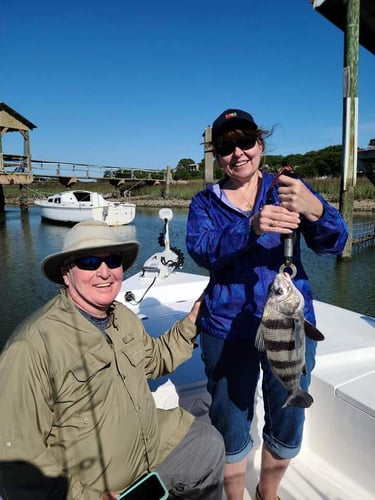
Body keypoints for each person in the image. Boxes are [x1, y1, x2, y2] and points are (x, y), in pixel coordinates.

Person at [186, 108, 349, 500]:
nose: (237, 153)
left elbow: (335, 243)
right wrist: (250, 226)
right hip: (227, 330)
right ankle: (235, 496)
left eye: (245, 142)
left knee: (290, 417)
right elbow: (201, 250)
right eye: (226, 146)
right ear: (217, 155)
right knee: (229, 423)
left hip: (290, 323)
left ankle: (268, 493)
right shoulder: (204, 203)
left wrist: (315, 208)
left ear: (260, 144)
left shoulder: (287, 187)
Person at [0, 220, 225, 500]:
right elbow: (18, 460)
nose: (104, 272)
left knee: (208, 445)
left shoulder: (123, 317)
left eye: (112, 260)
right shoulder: (31, 346)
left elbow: (155, 360)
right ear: (66, 273)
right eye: (89, 261)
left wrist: (192, 319)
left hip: (150, 445)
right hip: (92, 486)